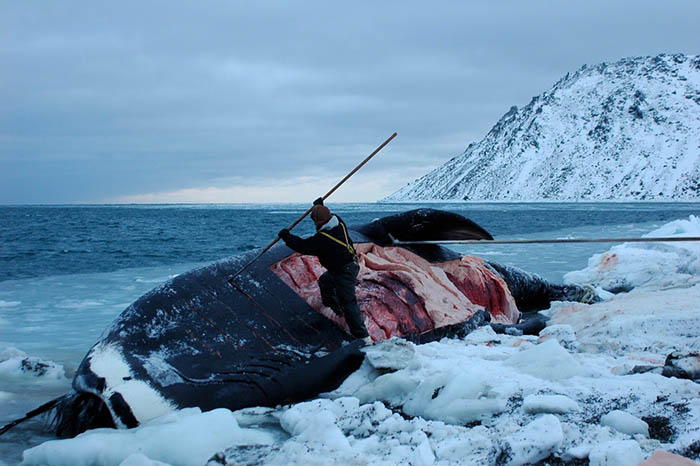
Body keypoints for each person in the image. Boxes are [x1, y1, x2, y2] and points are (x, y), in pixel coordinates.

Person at [278, 198, 372, 344]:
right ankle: (332, 305)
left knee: (348, 302)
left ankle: (363, 337)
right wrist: (320, 206)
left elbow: (303, 246)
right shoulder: (339, 222)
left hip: (344, 271)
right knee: (325, 281)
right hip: (347, 265)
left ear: (318, 222)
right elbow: (328, 215)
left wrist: (287, 237)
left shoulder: (323, 239)